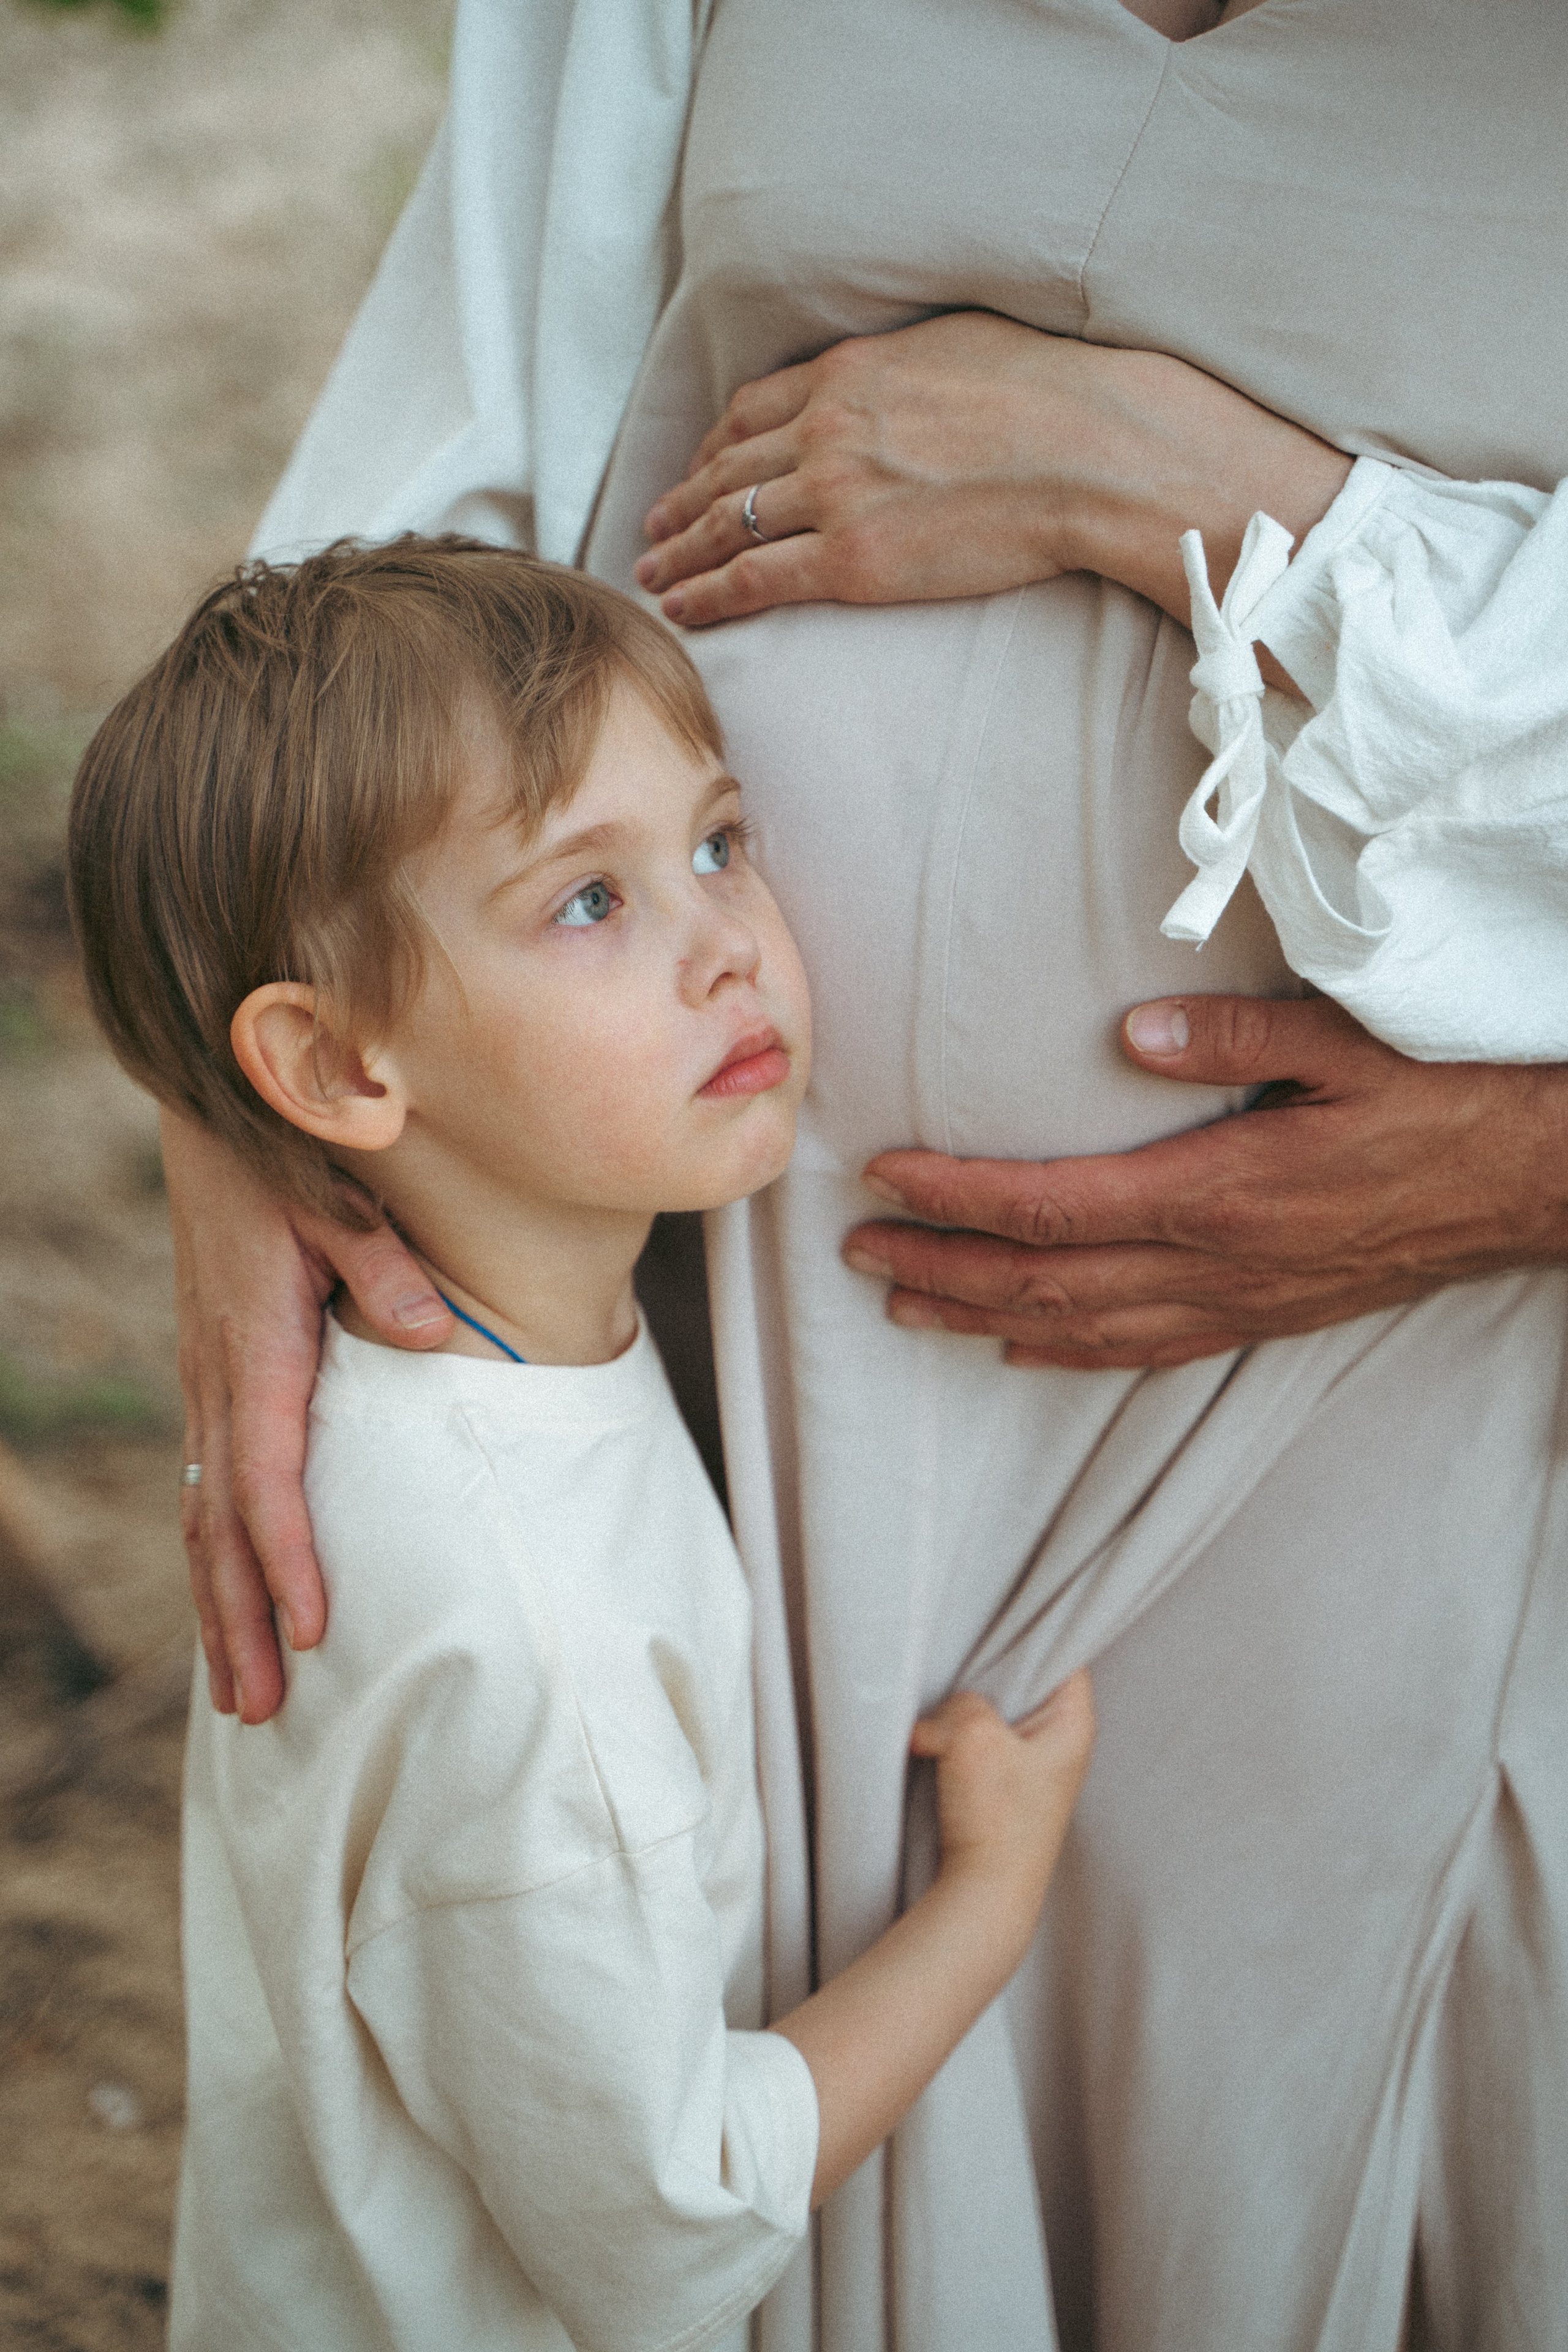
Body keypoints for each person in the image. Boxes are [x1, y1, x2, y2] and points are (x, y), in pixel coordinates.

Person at [164, 2, 1568, 2345]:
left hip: (1396, 1393)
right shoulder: (503, 1551)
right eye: (626, 890)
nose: (732, 920)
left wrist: (1182, 482)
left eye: (726, 851)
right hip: (730, 1346)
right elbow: (451, 441)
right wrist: (247, 1080)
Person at [67, 538, 1095, 2351]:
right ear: (335, 1070)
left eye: (717, 844)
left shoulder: (478, 1396)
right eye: (588, 906)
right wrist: (994, 1903)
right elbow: (666, 2228)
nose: (727, 948)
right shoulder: (524, 1621)